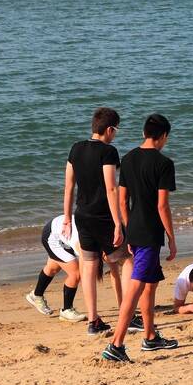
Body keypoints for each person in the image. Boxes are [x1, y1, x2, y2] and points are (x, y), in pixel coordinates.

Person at [101, 113, 180, 362]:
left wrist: (127, 227)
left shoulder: (129, 158)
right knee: (134, 290)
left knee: (149, 285)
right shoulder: (164, 163)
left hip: (134, 231)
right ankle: (116, 344)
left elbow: (122, 200)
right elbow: (162, 207)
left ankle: (150, 337)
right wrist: (172, 237)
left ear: (145, 132)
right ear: (163, 136)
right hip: (150, 233)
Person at [64, 107, 127, 337]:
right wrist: (118, 222)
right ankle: (129, 313)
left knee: (88, 267)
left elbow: (69, 186)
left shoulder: (76, 148)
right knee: (126, 260)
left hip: (81, 215)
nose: (115, 135)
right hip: (103, 217)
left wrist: (66, 218)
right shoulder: (108, 152)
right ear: (109, 129)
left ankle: (93, 321)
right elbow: (111, 188)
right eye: (116, 130)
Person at [25, 213, 85, 322]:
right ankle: (66, 310)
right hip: (52, 237)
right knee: (76, 274)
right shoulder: (79, 243)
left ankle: (36, 295)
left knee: (53, 267)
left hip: (59, 231)